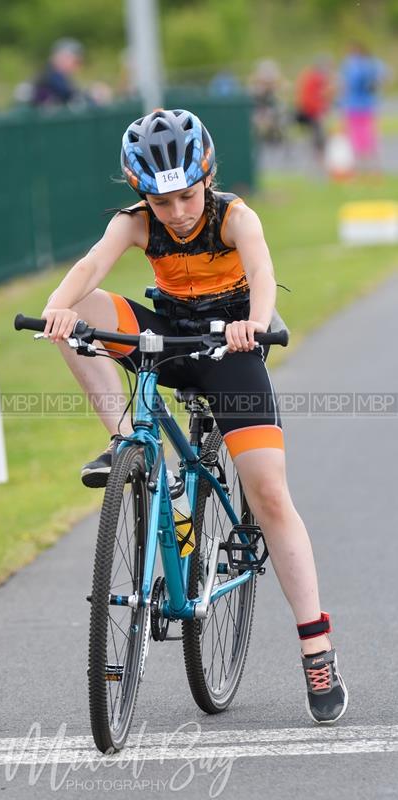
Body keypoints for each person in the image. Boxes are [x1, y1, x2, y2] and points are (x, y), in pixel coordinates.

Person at [41, 108, 348, 724]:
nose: (176, 212)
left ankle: (317, 650)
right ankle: (126, 441)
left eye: (185, 196)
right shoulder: (133, 223)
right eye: (160, 202)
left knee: (268, 494)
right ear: (141, 195)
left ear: (206, 178)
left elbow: (262, 271)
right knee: (83, 316)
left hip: (229, 348)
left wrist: (253, 325)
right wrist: (56, 309)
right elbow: (91, 268)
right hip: (167, 338)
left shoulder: (235, 215)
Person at [339, 43, 388, 170]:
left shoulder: (351, 65)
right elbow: (384, 76)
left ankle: (361, 166)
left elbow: (345, 85)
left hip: (355, 106)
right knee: (369, 136)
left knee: (357, 137)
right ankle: (373, 166)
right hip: (367, 105)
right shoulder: (371, 64)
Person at [294, 57, 335, 158]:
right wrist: (320, 111)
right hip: (310, 112)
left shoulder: (311, 76)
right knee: (319, 131)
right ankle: (319, 154)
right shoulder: (315, 78)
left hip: (309, 110)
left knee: (321, 130)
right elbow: (311, 98)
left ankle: (320, 153)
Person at [30, 37, 85, 108]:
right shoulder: (49, 75)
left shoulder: (57, 75)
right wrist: (90, 94)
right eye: (75, 62)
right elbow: (67, 94)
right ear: (60, 58)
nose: (77, 67)